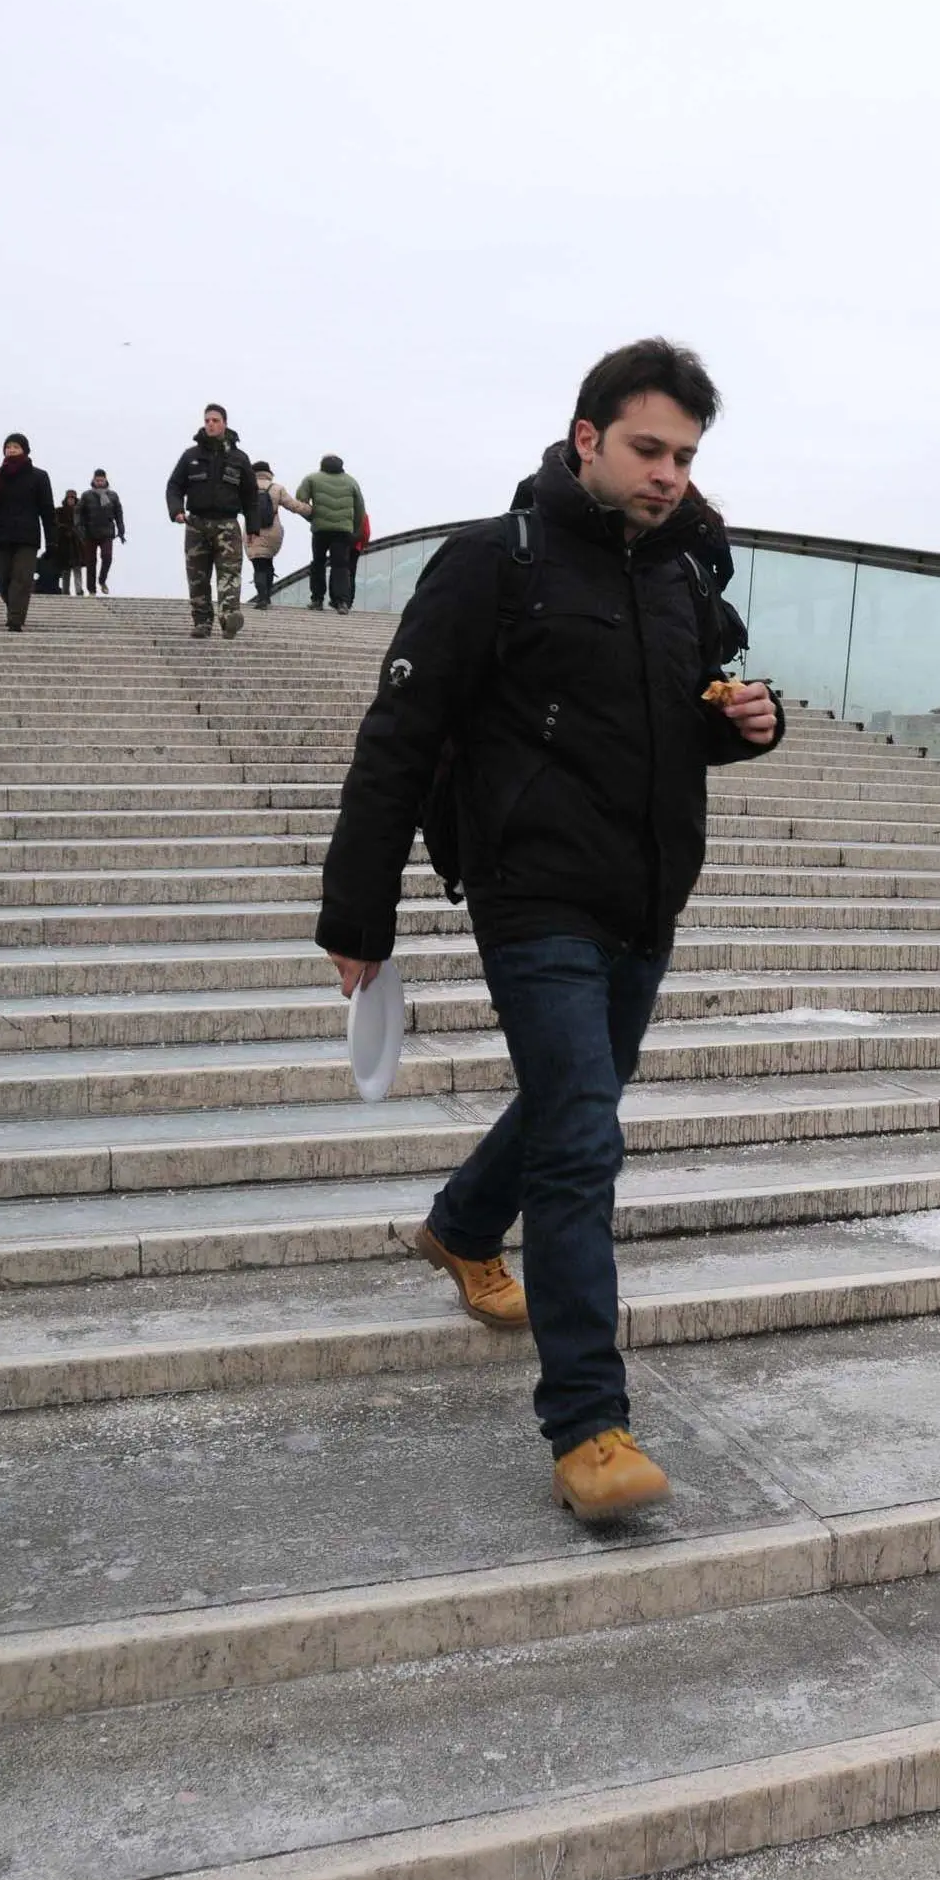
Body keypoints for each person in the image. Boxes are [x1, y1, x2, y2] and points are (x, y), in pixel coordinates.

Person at [317, 339, 784, 1522]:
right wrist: (355, 911)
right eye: (647, 448)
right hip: (533, 895)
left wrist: (745, 724)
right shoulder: (494, 561)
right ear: (586, 439)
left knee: (578, 1096)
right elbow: (399, 736)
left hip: (645, 890)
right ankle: (589, 1425)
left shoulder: (685, 580)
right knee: (583, 1139)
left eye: (684, 455)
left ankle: (463, 1224)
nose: (669, 474)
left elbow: (692, 717)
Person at [166, 405, 261, 639]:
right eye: (207, 420)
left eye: (215, 420)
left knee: (229, 574)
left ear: (224, 423)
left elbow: (251, 495)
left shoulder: (239, 459)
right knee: (197, 576)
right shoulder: (191, 456)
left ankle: (229, 619)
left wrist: (253, 527)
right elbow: (174, 486)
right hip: (196, 524)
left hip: (227, 525)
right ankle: (202, 622)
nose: (210, 424)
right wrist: (176, 510)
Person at [0, 434, 57, 633]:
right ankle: (15, 607)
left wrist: (52, 542)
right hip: (2, 537)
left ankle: (15, 619)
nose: (11, 450)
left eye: (16, 447)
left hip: (27, 538)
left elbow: (47, 511)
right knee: (1, 577)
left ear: (25, 450)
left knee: (22, 578)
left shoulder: (39, 477)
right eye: (8, 447)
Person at [293, 453, 367, 612]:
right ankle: (342, 602)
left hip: (320, 530)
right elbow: (360, 508)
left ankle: (317, 600)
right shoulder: (351, 481)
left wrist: (312, 517)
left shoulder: (312, 479)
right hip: (343, 531)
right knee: (340, 565)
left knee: (318, 563)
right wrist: (356, 530)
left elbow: (300, 501)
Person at [245, 461, 308, 608]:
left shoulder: (246, 488)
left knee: (258, 565)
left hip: (252, 530)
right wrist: (311, 511)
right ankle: (267, 596)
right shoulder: (277, 488)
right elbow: (294, 506)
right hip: (273, 530)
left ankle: (262, 598)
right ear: (269, 473)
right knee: (268, 562)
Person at [76, 470, 126, 594]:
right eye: (97, 480)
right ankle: (91, 590)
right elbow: (78, 512)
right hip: (90, 532)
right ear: (93, 480)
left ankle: (102, 580)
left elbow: (119, 514)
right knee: (91, 562)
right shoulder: (87, 495)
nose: (99, 482)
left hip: (107, 532)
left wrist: (121, 530)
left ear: (105, 480)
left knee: (107, 557)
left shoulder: (113, 495)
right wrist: (79, 527)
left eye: (101, 480)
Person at [55, 490, 83, 596]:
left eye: (73, 498)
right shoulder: (59, 511)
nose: (71, 500)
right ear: (66, 499)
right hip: (64, 543)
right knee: (65, 569)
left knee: (77, 568)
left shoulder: (80, 512)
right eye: (69, 498)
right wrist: (66, 529)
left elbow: (84, 526)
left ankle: (79, 590)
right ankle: (65, 591)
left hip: (77, 544)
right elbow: (56, 524)